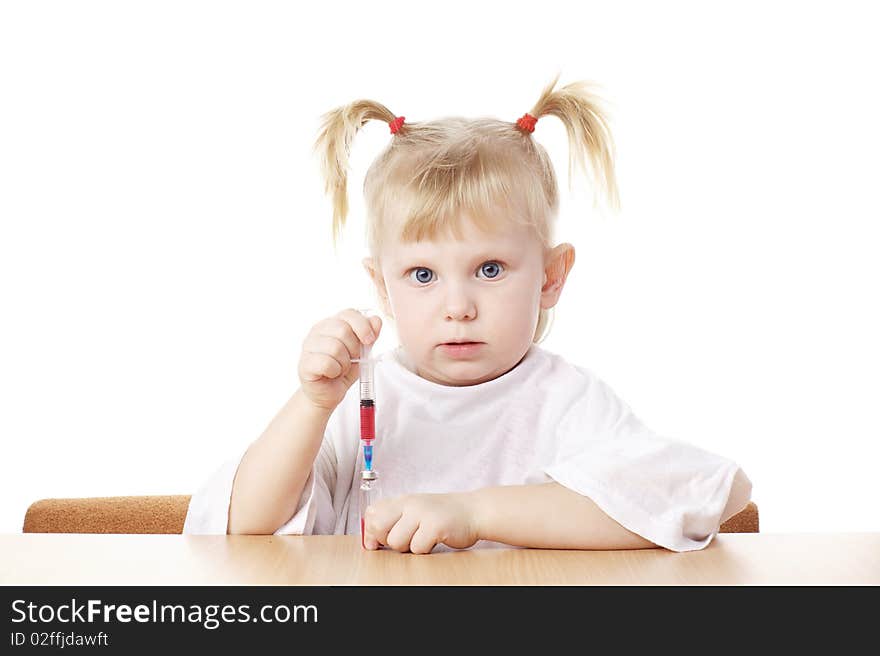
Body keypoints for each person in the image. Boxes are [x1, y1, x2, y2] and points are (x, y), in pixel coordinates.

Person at [183, 73, 752, 553]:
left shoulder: (565, 401)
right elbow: (237, 529)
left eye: (489, 269)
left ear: (551, 276)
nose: (458, 308)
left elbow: (707, 493)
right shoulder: (358, 396)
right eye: (423, 276)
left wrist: (474, 514)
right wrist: (311, 404)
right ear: (382, 285)